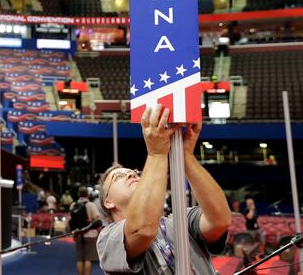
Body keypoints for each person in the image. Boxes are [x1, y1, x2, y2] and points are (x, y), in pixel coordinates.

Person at [97, 105, 231, 274]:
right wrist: (157, 154)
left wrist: (186, 157)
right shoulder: (108, 238)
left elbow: (220, 220)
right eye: (119, 177)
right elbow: (142, 230)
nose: (131, 176)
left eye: (134, 173)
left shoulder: (181, 220)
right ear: (108, 202)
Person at [70, 186, 102, 275]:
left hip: (78, 234)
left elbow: (71, 220)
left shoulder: (73, 205)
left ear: (78, 194)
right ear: (88, 195)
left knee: (80, 259)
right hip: (90, 235)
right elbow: (97, 220)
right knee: (88, 259)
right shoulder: (90, 205)